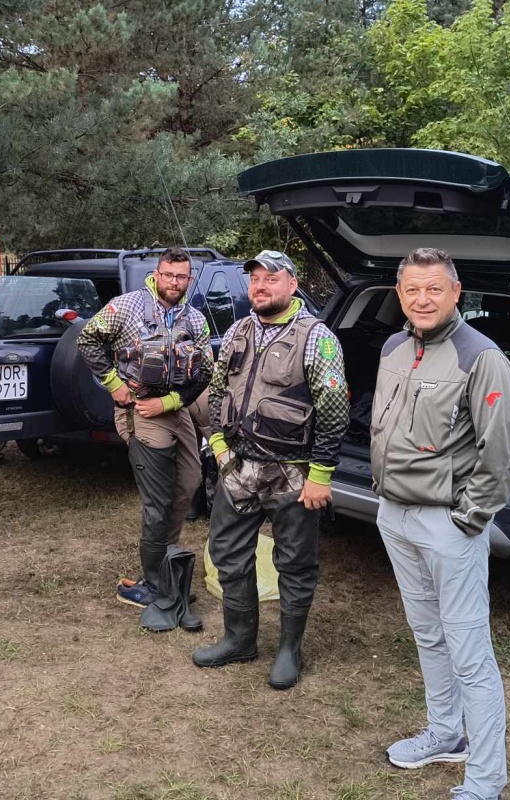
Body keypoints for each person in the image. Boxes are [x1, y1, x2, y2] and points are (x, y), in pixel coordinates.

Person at [370, 248, 510, 800]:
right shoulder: (393, 347)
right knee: (427, 633)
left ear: (456, 292)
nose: (422, 299)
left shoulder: (482, 357)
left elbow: (502, 455)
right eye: (412, 289)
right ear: (399, 294)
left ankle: (486, 779)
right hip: (394, 516)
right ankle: (445, 733)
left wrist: (467, 520)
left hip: (448, 524)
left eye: (434, 288)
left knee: (469, 652)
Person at [192, 250, 348, 690]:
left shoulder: (316, 338)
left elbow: (335, 410)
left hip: (292, 475)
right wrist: (218, 444)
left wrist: (320, 475)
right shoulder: (239, 329)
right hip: (238, 470)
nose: (260, 286)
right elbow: (218, 390)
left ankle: (289, 650)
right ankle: (239, 640)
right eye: (255, 279)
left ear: (292, 285)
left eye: (271, 278)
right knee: (227, 553)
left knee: (295, 564)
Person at [76, 247, 212, 615]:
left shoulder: (195, 319)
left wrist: (170, 402)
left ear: (189, 279)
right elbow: (87, 340)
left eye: (181, 276)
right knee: (158, 500)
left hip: (173, 407)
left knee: (188, 483)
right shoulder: (126, 307)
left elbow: (205, 373)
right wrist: (113, 384)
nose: (174, 282)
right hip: (139, 409)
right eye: (168, 274)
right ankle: (153, 584)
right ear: (157, 273)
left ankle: (167, 566)